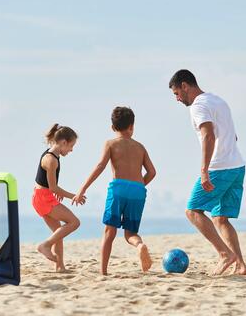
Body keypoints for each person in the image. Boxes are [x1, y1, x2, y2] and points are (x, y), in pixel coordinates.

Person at [169, 69, 246, 275]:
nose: (177, 99)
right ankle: (240, 265)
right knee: (220, 218)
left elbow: (208, 135)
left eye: (177, 93)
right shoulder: (218, 101)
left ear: (185, 86)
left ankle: (225, 254)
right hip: (237, 165)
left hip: (219, 167)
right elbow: (234, 136)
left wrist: (204, 170)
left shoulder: (198, 106)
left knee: (192, 211)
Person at [73, 107, 156, 275]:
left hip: (118, 188)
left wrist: (83, 188)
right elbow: (152, 172)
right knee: (130, 233)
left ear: (112, 127)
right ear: (132, 126)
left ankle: (103, 272)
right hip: (138, 191)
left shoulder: (110, 143)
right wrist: (139, 185)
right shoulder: (140, 147)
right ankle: (140, 245)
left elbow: (100, 166)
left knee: (110, 231)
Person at [32, 124, 82, 272]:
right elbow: (53, 187)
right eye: (71, 146)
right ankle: (45, 245)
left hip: (41, 196)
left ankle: (60, 266)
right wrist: (74, 196)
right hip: (43, 198)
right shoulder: (51, 160)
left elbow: (48, 183)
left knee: (58, 232)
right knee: (74, 222)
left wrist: (56, 191)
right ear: (63, 142)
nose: (71, 150)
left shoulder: (53, 155)